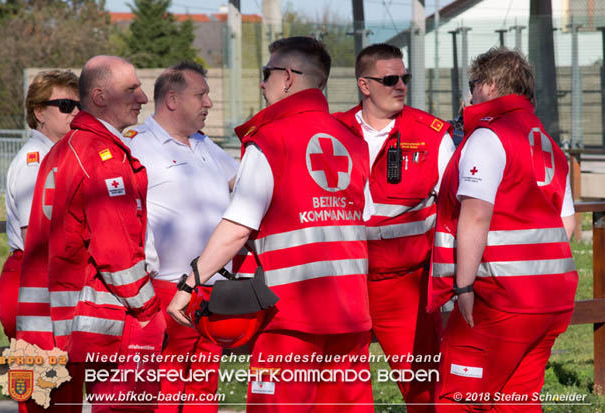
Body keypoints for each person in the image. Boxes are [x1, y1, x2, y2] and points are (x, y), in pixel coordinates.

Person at [168, 36, 374, 412]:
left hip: (291, 317)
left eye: (267, 73)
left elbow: (238, 227)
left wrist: (190, 282)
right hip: (351, 315)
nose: (262, 84)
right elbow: (362, 223)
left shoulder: (270, 139)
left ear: (289, 78)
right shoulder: (352, 141)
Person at [428, 47, 578, 412]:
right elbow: (567, 223)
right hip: (550, 299)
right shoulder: (545, 141)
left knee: (459, 399)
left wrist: (463, 285)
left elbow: (476, 214)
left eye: (473, 84)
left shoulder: (488, 136)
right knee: (517, 400)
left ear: (490, 85)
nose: (470, 94)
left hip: (499, 300)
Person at [20, 55, 163, 412]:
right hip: (107, 317)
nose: (143, 98)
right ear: (100, 96)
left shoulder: (65, 148)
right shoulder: (102, 157)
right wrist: (149, 308)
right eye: (131, 89)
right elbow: (117, 254)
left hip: (62, 315)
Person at [334, 43, 453, 411]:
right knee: (337, 391)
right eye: (390, 79)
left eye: (405, 77)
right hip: (340, 282)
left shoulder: (432, 135)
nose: (401, 85)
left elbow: (455, 211)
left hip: (404, 287)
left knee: (424, 391)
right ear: (364, 85)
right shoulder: (331, 131)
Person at [125, 61, 239, 413]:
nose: (209, 103)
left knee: (205, 385)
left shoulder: (205, 145)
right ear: (172, 99)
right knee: (165, 385)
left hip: (214, 289)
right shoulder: (136, 147)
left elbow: (246, 187)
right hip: (166, 288)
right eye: (201, 95)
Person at [0, 70, 79, 340]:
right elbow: (35, 237)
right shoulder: (36, 161)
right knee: (40, 379)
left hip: (47, 280)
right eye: (66, 106)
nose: (76, 112)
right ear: (40, 112)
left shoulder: (58, 156)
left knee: (56, 377)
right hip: (33, 280)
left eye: (80, 105)